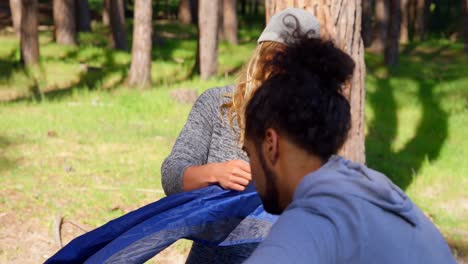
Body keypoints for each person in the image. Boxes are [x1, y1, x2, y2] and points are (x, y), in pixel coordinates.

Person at [241, 35, 457, 263]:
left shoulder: (317, 217)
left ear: (270, 144)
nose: (252, 173)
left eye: (249, 154)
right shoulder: (370, 187)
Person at [161, 7, 321, 264]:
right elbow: (172, 177)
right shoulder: (216, 105)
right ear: (261, 58)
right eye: (278, 59)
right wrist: (215, 173)